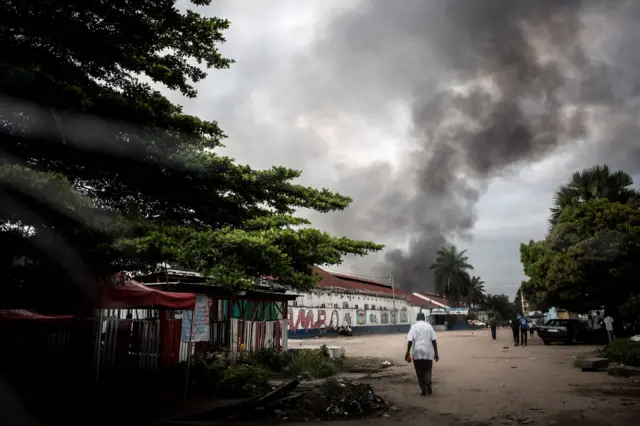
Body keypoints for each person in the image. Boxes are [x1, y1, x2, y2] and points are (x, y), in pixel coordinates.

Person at [406, 312, 439, 396]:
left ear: (417, 318)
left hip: (417, 353)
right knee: (428, 369)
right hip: (428, 353)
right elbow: (434, 340)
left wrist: (407, 352)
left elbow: (410, 340)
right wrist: (436, 353)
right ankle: (428, 382)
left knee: (419, 372)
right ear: (424, 318)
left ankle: (423, 390)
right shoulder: (429, 327)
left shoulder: (413, 327)